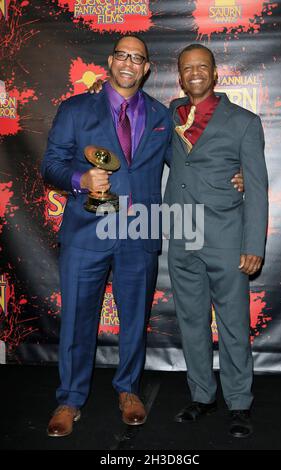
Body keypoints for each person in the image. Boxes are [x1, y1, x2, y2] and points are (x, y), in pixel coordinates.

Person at [42, 35, 244, 437]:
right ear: (111, 60)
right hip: (87, 231)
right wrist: (81, 178)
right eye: (123, 55)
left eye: (138, 58)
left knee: (134, 320)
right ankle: (70, 399)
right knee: (78, 320)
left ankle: (128, 390)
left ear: (147, 68)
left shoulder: (161, 115)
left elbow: (190, 160)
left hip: (141, 231)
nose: (129, 63)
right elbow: (51, 165)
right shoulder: (76, 109)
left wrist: (231, 175)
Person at [164, 44, 268, 438]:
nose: (194, 73)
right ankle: (202, 395)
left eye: (201, 66)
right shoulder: (169, 114)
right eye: (187, 67)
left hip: (226, 238)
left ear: (214, 73)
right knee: (191, 321)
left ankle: (239, 402)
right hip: (181, 235)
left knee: (234, 325)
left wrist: (253, 245)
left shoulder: (244, 121)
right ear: (179, 75)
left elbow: (256, 187)